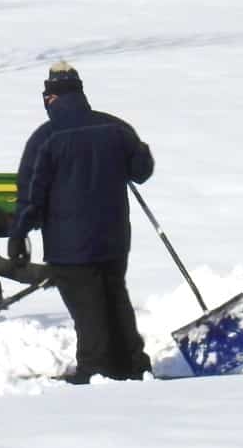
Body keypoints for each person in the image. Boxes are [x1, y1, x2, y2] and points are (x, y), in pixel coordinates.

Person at [9, 62, 155, 384]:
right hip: (114, 238)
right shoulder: (115, 128)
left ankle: (96, 370)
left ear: (50, 98)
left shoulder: (46, 138)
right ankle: (132, 364)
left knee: (88, 309)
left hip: (70, 245)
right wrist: (136, 151)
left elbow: (32, 194)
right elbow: (141, 171)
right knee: (115, 299)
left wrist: (19, 234)